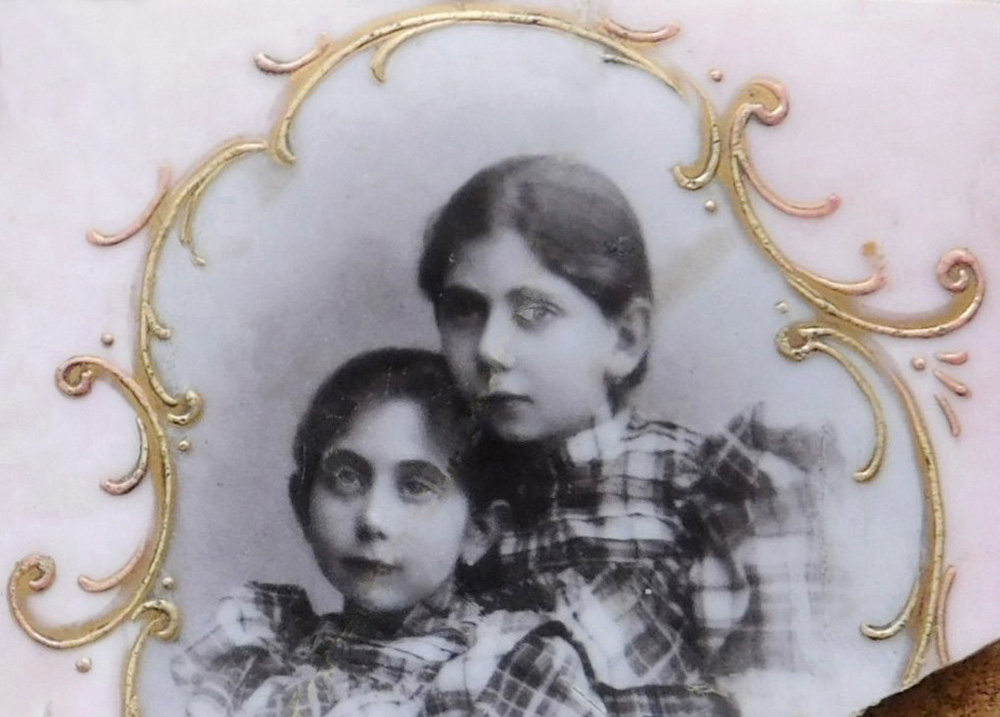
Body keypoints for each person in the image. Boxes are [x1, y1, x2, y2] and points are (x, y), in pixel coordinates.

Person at [418, 155, 815, 713]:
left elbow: (782, 695)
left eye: (533, 312)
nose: (489, 350)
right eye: (465, 311)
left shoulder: (709, 490)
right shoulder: (449, 503)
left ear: (625, 338)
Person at [173, 348, 607, 717]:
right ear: (303, 504)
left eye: (416, 486)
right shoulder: (259, 650)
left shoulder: (510, 672)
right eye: (347, 477)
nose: (373, 519)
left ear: (479, 530)